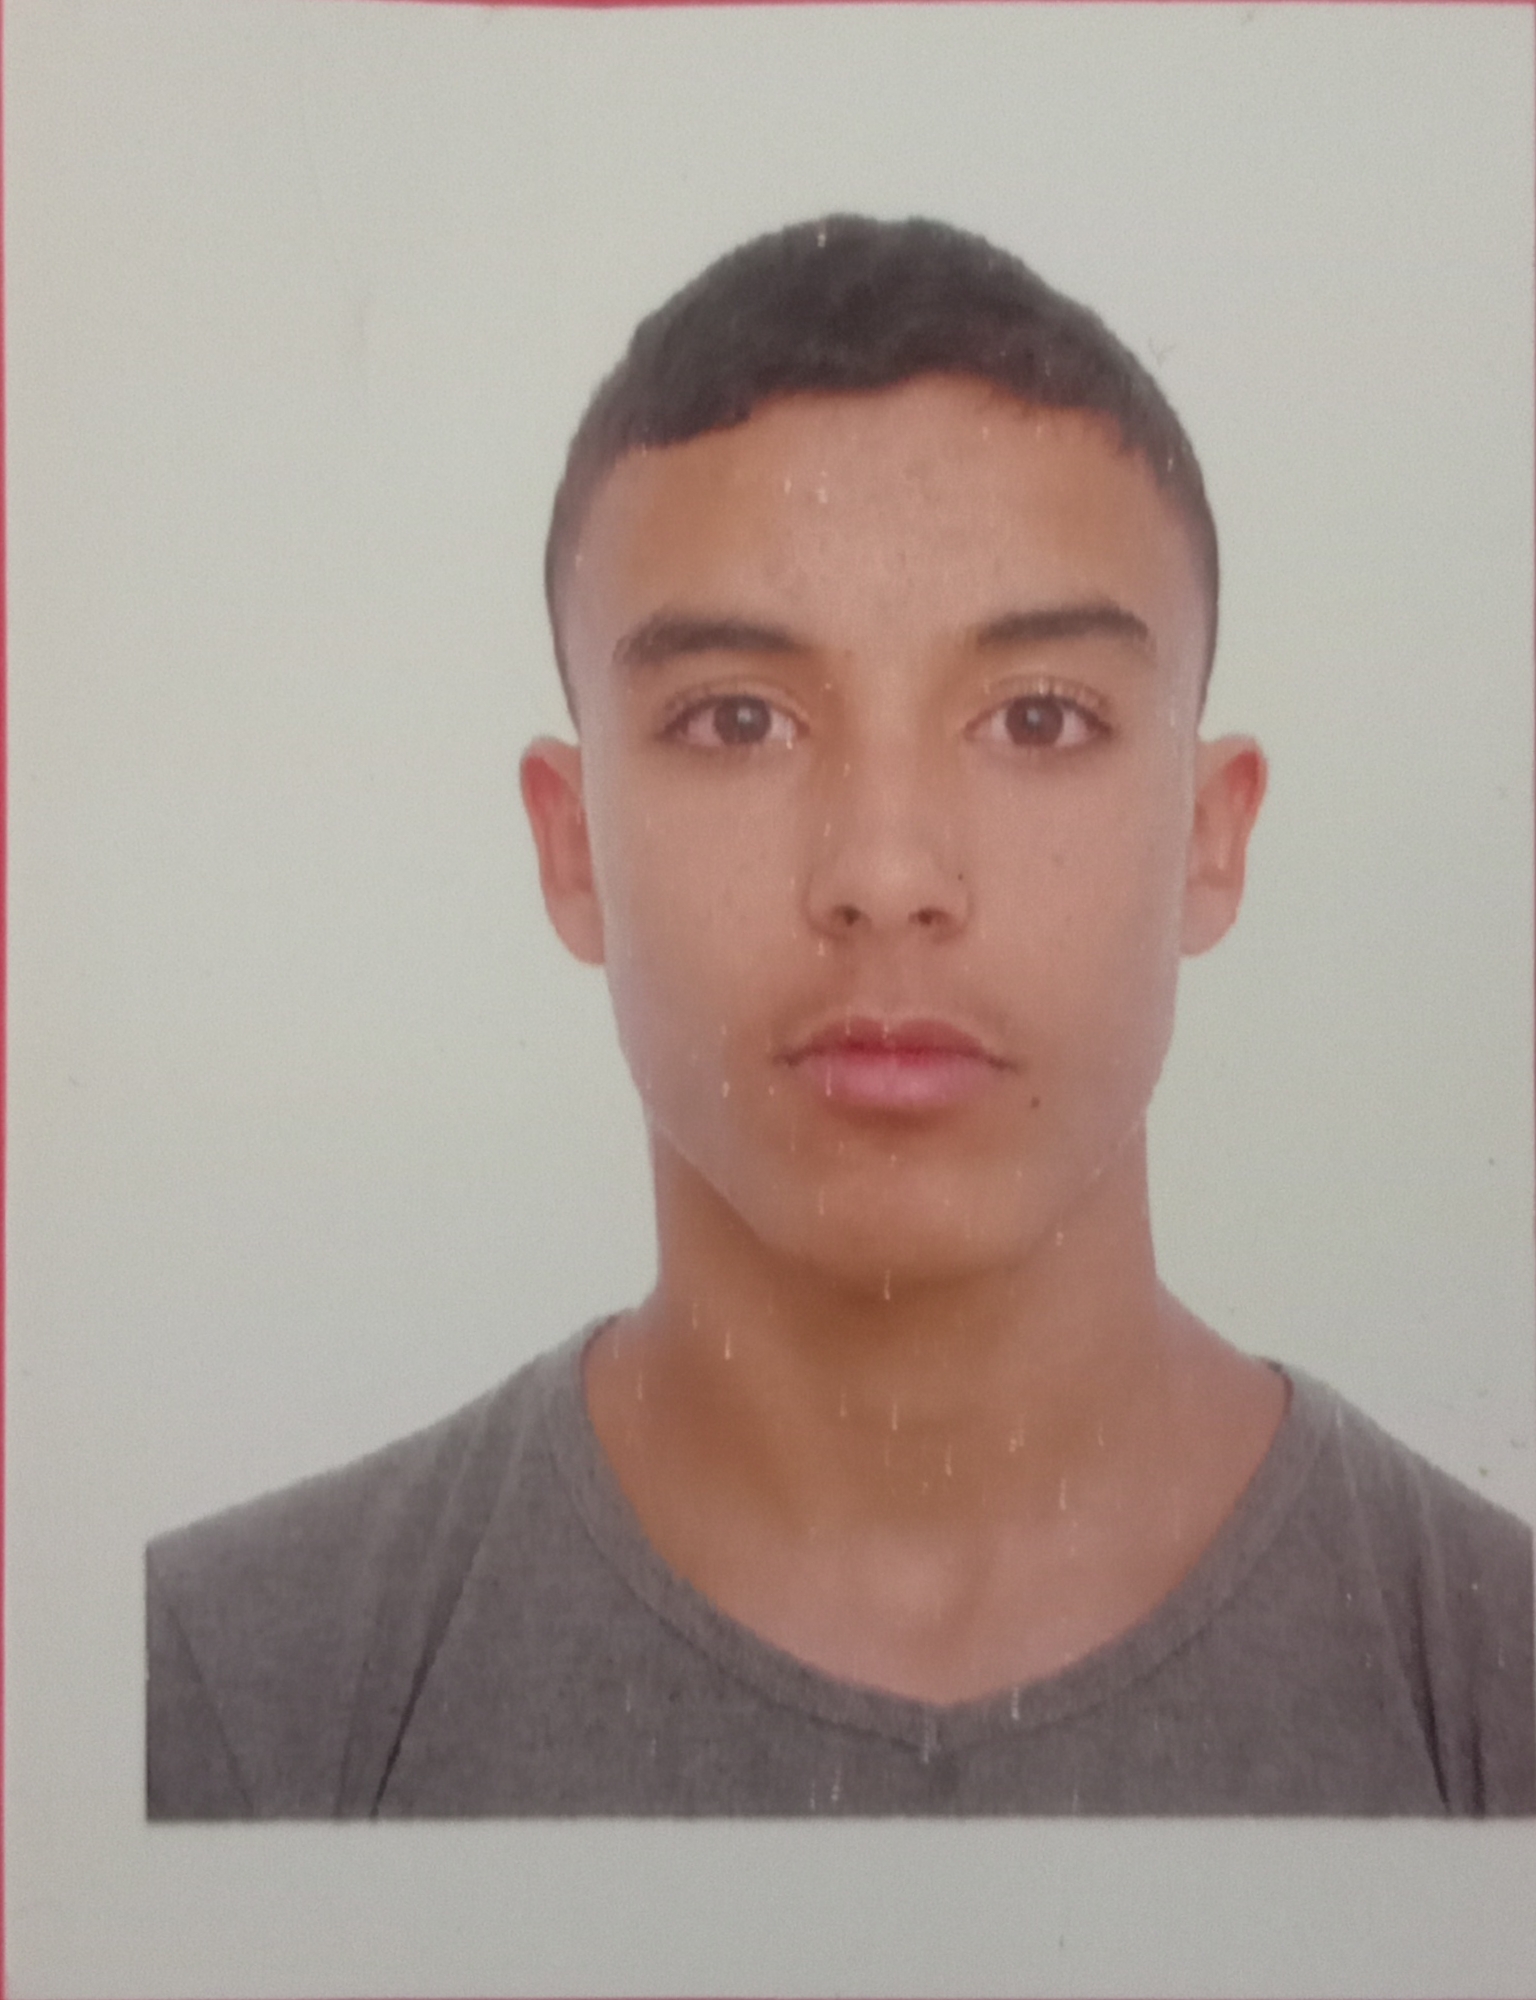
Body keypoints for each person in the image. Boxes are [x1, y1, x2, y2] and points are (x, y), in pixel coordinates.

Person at [146, 215, 1535, 1818]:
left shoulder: (1493, 1690)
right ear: (572, 846)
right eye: (737, 720)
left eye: (1039, 718)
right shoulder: (220, 1697)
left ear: (1210, 843)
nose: (886, 874)